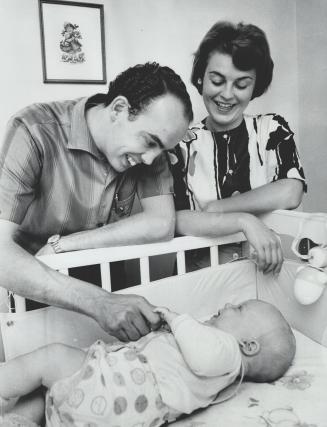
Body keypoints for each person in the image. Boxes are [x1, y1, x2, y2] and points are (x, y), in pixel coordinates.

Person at [0, 62, 193, 343]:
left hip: (107, 291)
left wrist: (64, 245)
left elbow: (161, 224)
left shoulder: (151, 152)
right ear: (118, 109)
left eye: (163, 149)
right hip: (29, 290)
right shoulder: (34, 130)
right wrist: (100, 302)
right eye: (150, 142)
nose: (152, 160)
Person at [0, 299, 296, 427]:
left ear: (249, 346)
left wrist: (176, 318)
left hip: (116, 389)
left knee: (51, 359)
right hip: (117, 414)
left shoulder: (228, 354)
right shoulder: (223, 378)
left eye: (240, 308)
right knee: (46, 393)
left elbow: (203, 353)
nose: (230, 304)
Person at [171, 21, 306, 274]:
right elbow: (177, 219)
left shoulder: (271, 128)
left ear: (255, 87)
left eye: (241, 84)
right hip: (196, 277)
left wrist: (217, 208)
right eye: (217, 80)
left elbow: (291, 191)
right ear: (201, 77)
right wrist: (245, 220)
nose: (227, 94)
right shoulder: (182, 143)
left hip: (262, 276)